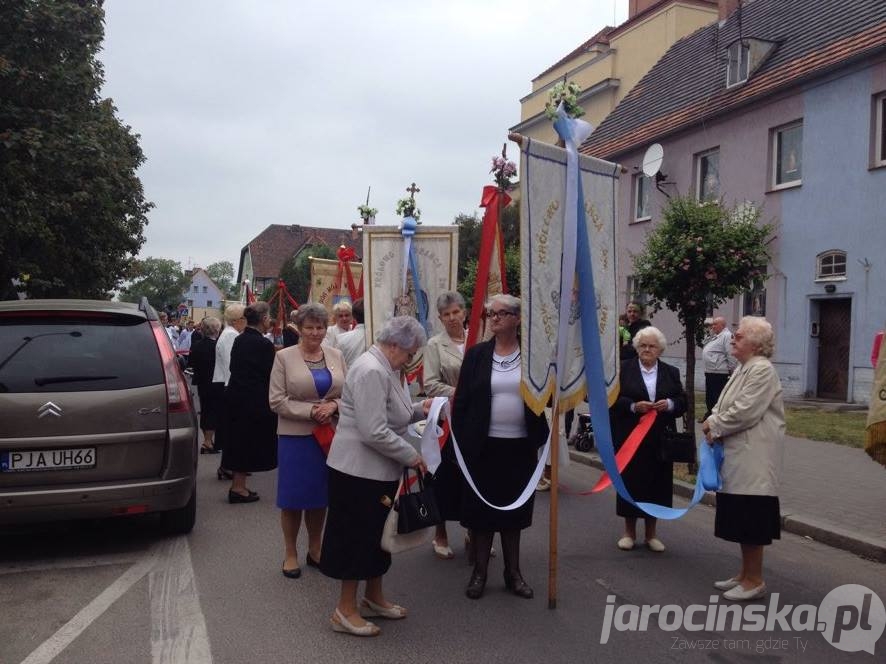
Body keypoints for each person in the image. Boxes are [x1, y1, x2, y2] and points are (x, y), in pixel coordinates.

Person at [320, 316, 431, 637]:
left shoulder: (388, 369)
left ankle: (373, 597)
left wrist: (426, 407)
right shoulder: (370, 369)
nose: (410, 360)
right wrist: (412, 456)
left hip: (379, 470)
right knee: (356, 538)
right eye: (410, 353)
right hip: (357, 472)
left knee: (378, 537)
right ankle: (345, 609)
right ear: (395, 344)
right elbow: (374, 430)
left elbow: (397, 412)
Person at [453, 294, 550, 600]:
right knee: (482, 513)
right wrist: (459, 442)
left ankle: (513, 573)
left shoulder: (533, 357)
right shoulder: (477, 355)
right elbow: (463, 401)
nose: (493, 318)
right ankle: (479, 572)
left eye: (501, 313)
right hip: (483, 446)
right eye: (490, 314)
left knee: (515, 513)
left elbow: (546, 394)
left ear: (517, 319)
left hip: (519, 447)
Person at [702, 316, 784, 601]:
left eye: (738, 336)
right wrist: (712, 418)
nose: (732, 339)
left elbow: (745, 410)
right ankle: (744, 574)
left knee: (751, 519)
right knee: (739, 517)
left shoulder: (761, 370)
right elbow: (723, 402)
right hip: (738, 455)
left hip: (754, 458)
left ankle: (755, 580)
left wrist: (715, 426)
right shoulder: (742, 368)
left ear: (756, 343)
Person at [269, 303, 346, 579]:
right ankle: (290, 553)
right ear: (299, 329)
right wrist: (312, 410)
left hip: (328, 436)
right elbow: (276, 401)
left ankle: (316, 548)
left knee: (319, 497)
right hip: (295, 437)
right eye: (310, 327)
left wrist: (334, 405)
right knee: (292, 499)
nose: (315, 332)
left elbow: (347, 393)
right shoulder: (284, 358)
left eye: (320, 327)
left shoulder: (336, 354)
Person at [610, 326, 686, 553]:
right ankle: (629, 533)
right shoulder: (624, 369)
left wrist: (670, 404)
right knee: (631, 483)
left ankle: (651, 534)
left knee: (657, 485)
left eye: (651, 346)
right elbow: (612, 400)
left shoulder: (671, 372)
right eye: (642, 345)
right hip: (631, 437)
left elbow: (682, 401)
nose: (646, 350)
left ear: (660, 350)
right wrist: (633, 406)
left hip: (660, 440)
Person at [423, 291, 467, 560]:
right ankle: (440, 534)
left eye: (456, 312)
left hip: (475, 421)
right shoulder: (435, 345)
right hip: (447, 420)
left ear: (464, 312)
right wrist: (461, 392)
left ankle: (474, 529)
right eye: (446, 314)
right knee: (443, 478)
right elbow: (429, 383)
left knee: (472, 477)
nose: (452, 318)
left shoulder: (480, 340)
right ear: (440, 318)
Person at [220, 302, 278, 503]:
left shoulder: (240, 339)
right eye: (269, 316)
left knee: (239, 442)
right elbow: (271, 373)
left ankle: (239, 485)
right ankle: (238, 488)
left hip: (237, 397)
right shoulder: (262, 344)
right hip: (254, 400)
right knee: (246, 444)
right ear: (263, 319)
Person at [211, 304, 246, 479]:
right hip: (228, 384)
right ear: (238, 320)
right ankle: (227, 466)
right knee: (231, 430)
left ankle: (230, 465)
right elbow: (231, 364)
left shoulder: (227, 333)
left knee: (229, 429)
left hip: (223, 382)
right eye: (244, 319)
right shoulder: (232, 335)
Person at [188, 317, 222, 453]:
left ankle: (207, 441)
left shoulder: (196, 345)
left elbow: (191, 363)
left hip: (202, 382)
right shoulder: (218, 346)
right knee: (214, 411)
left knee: (205, 410)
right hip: (216, 382)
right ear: (216, 329)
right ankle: (208, 442)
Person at [702, 316, 737, 420]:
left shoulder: (727, 336)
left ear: (723, 325)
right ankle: (710, 415)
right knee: (710, 397)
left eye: (715, 324)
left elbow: (730, 354)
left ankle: (716, 417)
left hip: (719, 373)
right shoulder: (715, 336)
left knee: (716, 397)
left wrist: (732, 370)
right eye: (712, 324)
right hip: (710, 371)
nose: (713, 326)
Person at [334, 298, 366, 367]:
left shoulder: (342, 339)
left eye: (347, 315)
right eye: (340, 316)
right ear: (335, 317)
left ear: (352, 316)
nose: (344, 318)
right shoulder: (330, 332)